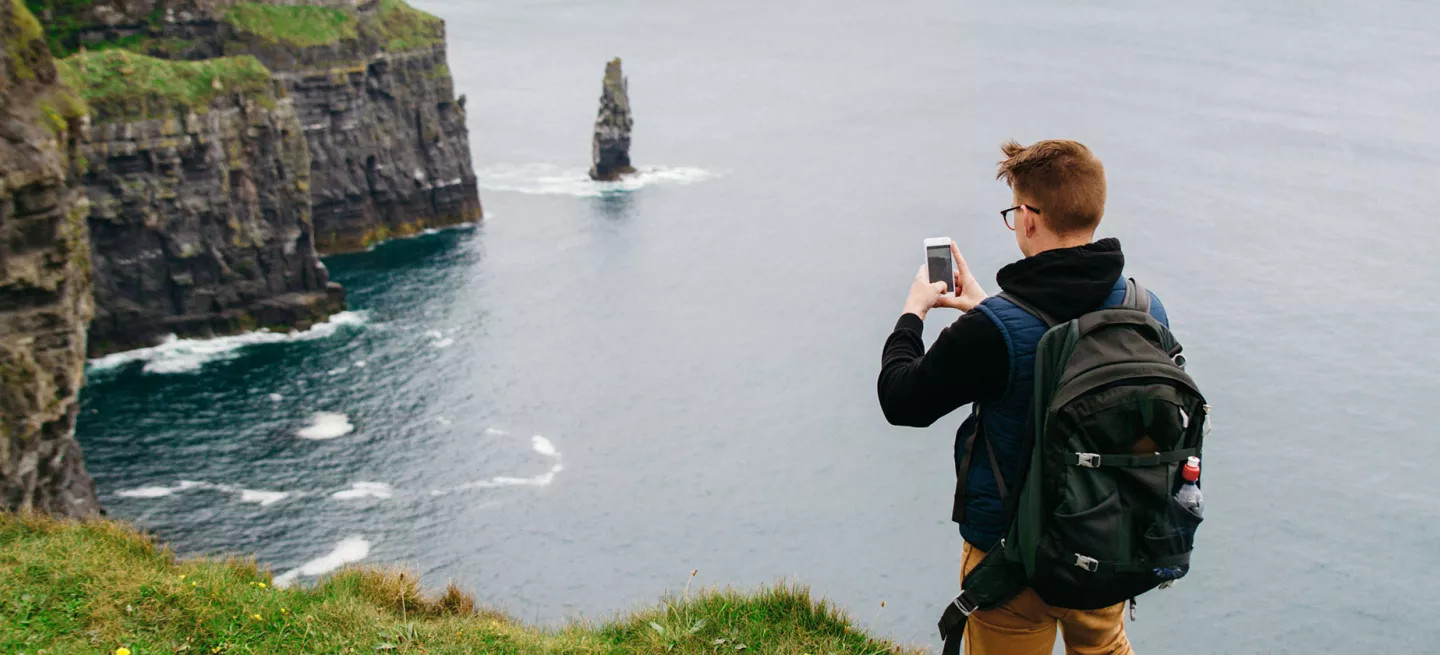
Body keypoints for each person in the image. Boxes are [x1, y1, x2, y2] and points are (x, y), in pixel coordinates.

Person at [877, 139, 1168, 655]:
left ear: (1030, 219)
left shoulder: (995, 331)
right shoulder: (1144, 308)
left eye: (1014, 212)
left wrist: (913, 312)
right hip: (1104, 544)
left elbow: (902, 401)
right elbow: (1058, 344)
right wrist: (986, 309)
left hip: (1012, 560)